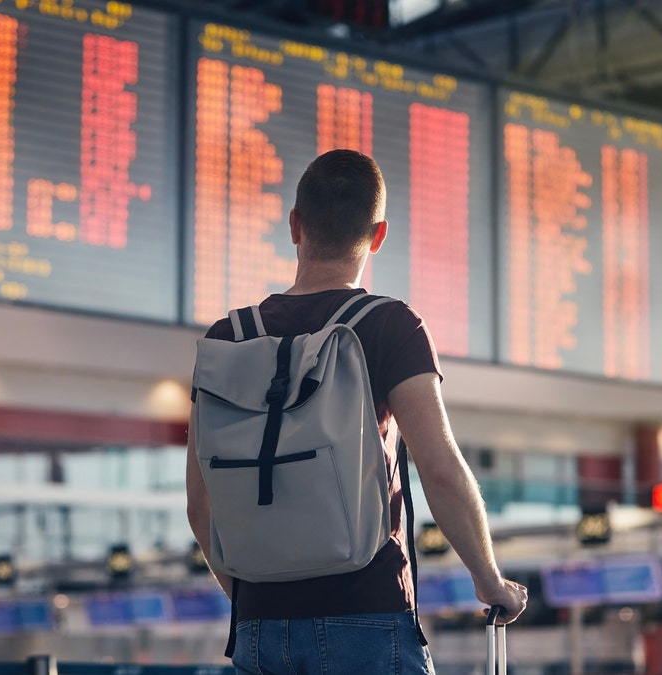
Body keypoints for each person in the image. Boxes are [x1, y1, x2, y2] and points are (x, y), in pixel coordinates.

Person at [186, 149, 528, 674]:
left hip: (258, 626)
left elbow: (200, 505)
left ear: (295, 224)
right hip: (367, 611)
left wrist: (256, 601)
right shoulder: (389, 325)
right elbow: (439, 468)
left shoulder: (226, 338)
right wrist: (490, 581)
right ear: (379, 234)